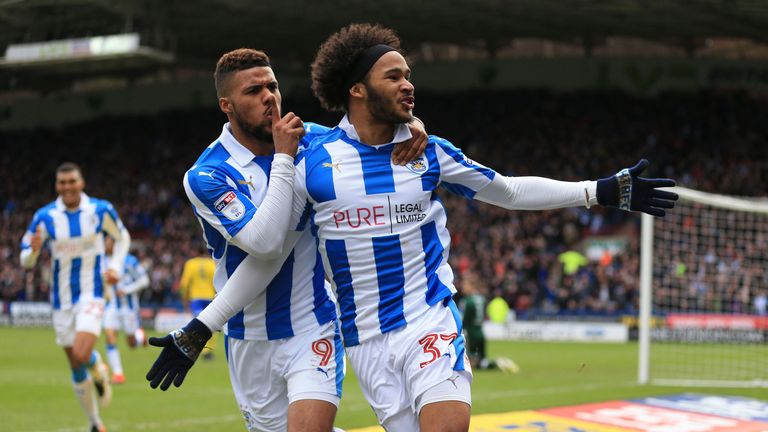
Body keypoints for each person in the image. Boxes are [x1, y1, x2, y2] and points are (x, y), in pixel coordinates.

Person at [150, 25, 677, 431]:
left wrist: (597, 190)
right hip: (366, 339)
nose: (410, 86)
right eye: (395, 77)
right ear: (357, 89)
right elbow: (268, 251)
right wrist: (204, 326)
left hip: (427, 316)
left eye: (408, 76)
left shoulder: (426, 151)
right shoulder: (309, 155)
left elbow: (509, 190)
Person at [146, 48, 427, 432]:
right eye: (254, 91)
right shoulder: (208, 175)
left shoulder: (313, 141)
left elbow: (373, 130)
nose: (269, 97)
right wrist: (283, 158)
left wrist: (411, 125)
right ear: (226, 105)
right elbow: (263, 243)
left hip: (313, 324)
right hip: (248, 337)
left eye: (273, 86)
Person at [20, 162, 131, 432]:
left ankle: (98, 368)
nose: (67, 187)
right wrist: (33, 252)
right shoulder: (45, 217)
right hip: (61, 299)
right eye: (62, 183)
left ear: (81, 183)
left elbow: (123, 237)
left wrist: (115, 266)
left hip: (92, 292)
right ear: (56, 186)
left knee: (81, 353)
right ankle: (95, 422)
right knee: (75, 362)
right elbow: (25, 260)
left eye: (72, 181)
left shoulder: (100, 210)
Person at [103, 235, 150, 384]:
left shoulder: (129, 260)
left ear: (115, 244)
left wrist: (127, 290)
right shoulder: (101, 261)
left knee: (131, 344)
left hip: (128, 307)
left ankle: (139, 336)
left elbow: (144, 280)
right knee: (109, 335)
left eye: (107, 240)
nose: (105, 243)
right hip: (111, 306)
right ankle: (118, 374)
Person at [460, 271, 518, 373]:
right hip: (481, 332)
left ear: (472, 286)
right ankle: (499, 363)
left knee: (471, 364)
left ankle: (497, 364)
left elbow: (465, 320)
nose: (463, 288)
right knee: (482, 360)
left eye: (465, 285)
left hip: (470, 334)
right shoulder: (482, 299)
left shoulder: (467, 301)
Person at [178, 244, 217, 360]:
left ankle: (196, 348)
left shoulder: (190, 263)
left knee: (197, 323)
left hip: (196, 299)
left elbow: (184, 284)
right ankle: (207, 351)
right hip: (211, 298)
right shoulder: (213, 263)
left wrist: (184, 298)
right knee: (212, 324)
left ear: (196, 252)